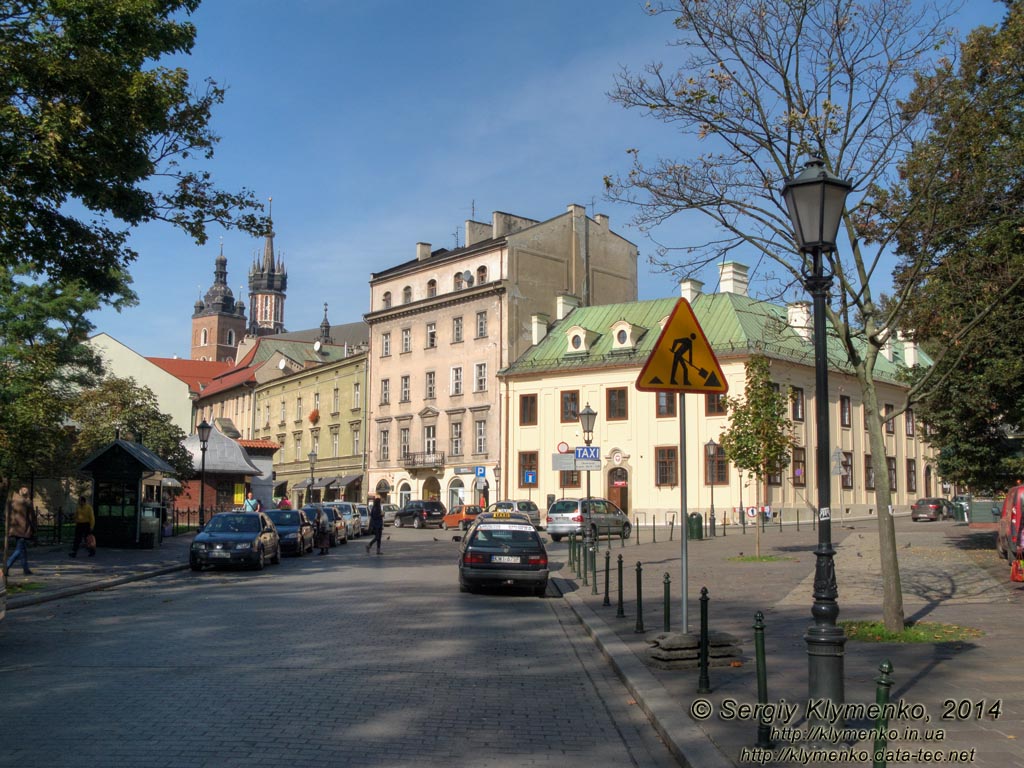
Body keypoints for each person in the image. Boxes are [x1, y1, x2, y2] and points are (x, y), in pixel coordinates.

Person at [5, 485, 37, 576]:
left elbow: (7, 514)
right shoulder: (27, 502)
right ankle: (6, 566)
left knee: (23, 550)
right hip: (23, 529)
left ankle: (26, 569)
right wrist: (34, 528)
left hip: (15, 528)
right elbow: (31, 517)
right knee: (19, 550)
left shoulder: (12, 501)